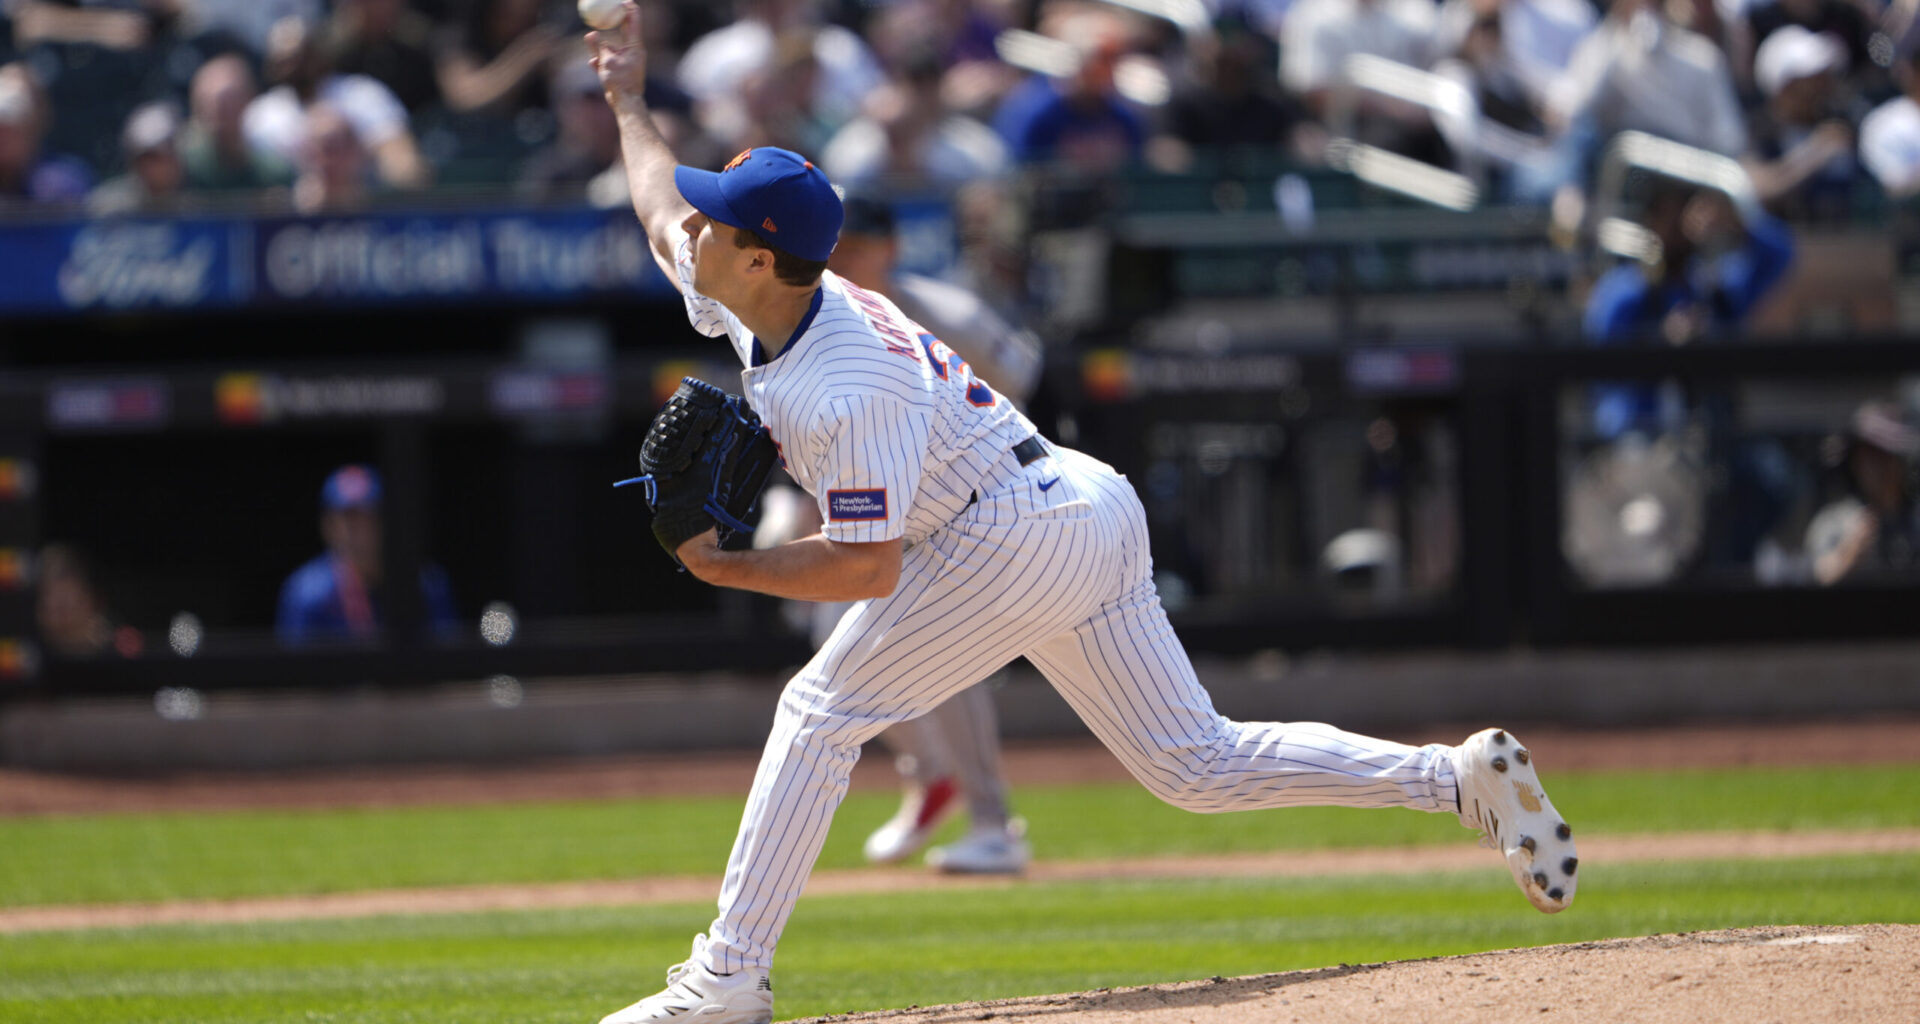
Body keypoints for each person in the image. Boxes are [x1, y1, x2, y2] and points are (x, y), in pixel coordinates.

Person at [586, 6, 1580, 1023]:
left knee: (819, 710)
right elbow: (661, 198)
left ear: (761, 257)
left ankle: (727, 980)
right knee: (1196, 763)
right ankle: (1456, 781)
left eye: (718, 221)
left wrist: (728, 568)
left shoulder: (850, 379)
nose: (692, 230)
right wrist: (625, 94)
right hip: (1078, 501)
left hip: (1009, 529)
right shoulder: (750, 291)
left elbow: (869, 566)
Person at [763, 194, 1043, 874]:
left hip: (971, 506)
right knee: (830, 641)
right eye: (840, 246)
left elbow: (1024, 384)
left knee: (947, 656)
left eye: (861, 244)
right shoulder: (814, 318)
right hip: (876, 510)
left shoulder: (946, 313)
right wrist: (791, 503)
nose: (850, 257)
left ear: (890, 249)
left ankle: (993, 825)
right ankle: (933, 774)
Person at [276, 464, 457, 644]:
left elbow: (447, 663)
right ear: (328, 525)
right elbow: (295, 670)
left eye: (370, 517)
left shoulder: (427, 584)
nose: (362, 531)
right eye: (350, 519)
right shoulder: (306, 593)